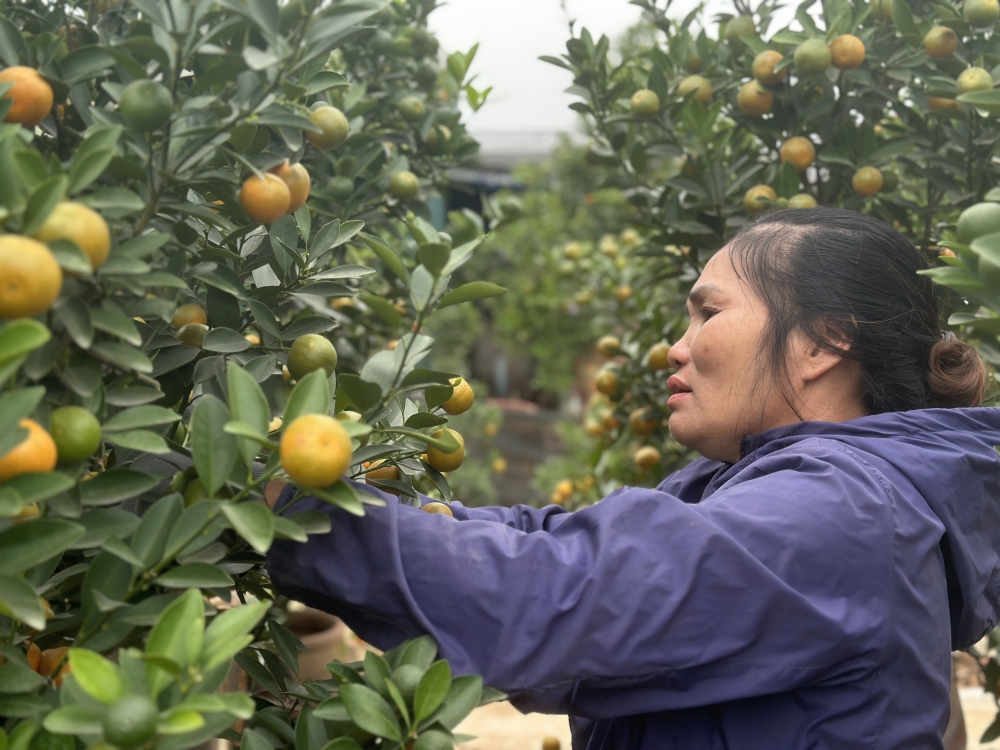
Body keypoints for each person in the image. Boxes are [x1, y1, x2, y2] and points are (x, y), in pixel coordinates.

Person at [267, 208, 1000, 750]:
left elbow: (550, 595)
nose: (674, 349)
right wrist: (372, 502)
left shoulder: (841, 512)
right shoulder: (751, 487)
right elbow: (554, 541)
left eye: (707, 313)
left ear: (823, 342)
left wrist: (284, 509)